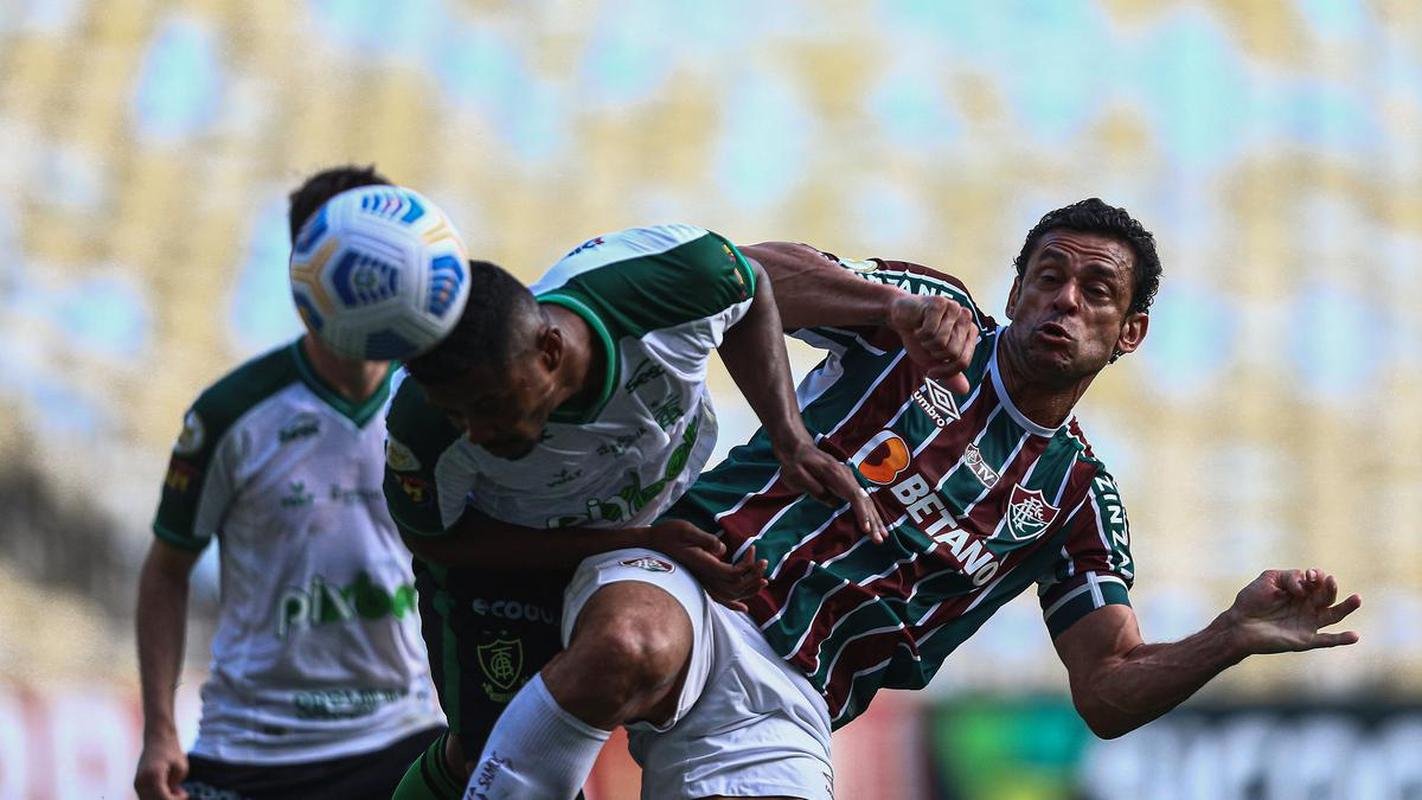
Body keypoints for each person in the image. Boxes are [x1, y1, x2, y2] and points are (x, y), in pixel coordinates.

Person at [466, 198, 1362, 800]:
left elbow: (1106, 689)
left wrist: (1230, 637)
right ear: (1015, 288)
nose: (1064, 300)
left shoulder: (1078, 499)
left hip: (791, 700)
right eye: (1048, 276)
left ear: (1128, 334)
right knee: (629, 646)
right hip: (697, 580)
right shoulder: (932, 315)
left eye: (1097, 293)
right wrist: (885, 305)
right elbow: (742, 277)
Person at [383, 224, 973, 799]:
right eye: (460, 416)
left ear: (550, 349)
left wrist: (790, 438)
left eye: (490, 406)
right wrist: (635, 540)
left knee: (606, 673)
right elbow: (441, 543)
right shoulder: (423, 424)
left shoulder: (673, 278)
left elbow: (752, 290)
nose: (478, 432)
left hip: (638, 523)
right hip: (504, 560)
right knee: (482, 755)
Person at [133, 166, 445, 800]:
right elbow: (167, 569)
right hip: (253, 749)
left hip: (404, 734)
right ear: (305, 271)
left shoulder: (437, 405)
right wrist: (160, 730)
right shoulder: (232, 414)